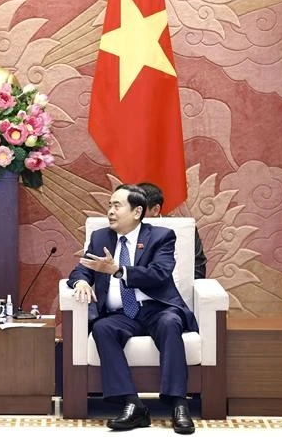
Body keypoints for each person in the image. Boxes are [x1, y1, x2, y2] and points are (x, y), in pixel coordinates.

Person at [67, 184, 197, 434]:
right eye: (109, 205)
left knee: (170, 324)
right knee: (102, 328)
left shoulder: (161, 236)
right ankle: (131, 403)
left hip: (157, 309)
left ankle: (178, 403)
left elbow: (160, 273)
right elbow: (83, 268)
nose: (110, 211)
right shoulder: (100, 237)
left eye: (117, 205)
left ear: (137, 212)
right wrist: (82, 280)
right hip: (121, 314)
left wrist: (118, 270)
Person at [138, 182, 207, 279]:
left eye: (138, 209)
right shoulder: (125, 227)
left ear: (155, 210)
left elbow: (198, 265)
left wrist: (186, 290)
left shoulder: (182, 228)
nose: (133, 214)